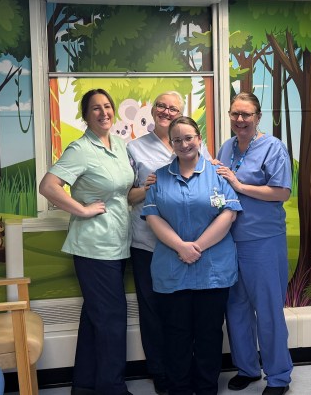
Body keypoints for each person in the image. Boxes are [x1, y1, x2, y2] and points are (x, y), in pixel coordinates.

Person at [38, 88, 135, 395]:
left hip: (117, 243)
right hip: (94, 247)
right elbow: (48, 185)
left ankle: (84, 384)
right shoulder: (80, 149)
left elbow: (121, 192)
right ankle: (112, 387)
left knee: (96, 317)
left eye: (108, 106)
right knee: (112, 320)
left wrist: (149, 186)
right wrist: (81, 209)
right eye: (96, 108)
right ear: (85, 114)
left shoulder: (118, 144)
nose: (104, 112)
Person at [142, 116, 241, 395]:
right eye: (177, 140)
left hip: (213, 269)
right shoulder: (159, 177)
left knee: (209, 334)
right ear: (171, 144)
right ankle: (180, 388)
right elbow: (152, 217)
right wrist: (181, 247)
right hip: (172, 268)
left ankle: (207, 387)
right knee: (176, 334)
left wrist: (196, 246)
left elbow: (228, 214)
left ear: (199, 139)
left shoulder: (218, 174)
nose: (184, 144)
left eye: (189, 138)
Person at [126, 91, 208, 394]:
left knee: (187, 313)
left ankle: (186, 371)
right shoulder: (134, 148)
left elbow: (211, 183)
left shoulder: (199, 145)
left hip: (190, 247)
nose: (166, 111)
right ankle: (160, 372)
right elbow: (127, 196)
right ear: (152, 109)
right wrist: (147, 188)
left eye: (173, 107)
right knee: (153, 311)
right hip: (149, 244)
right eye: (161, 106)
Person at [215, 93, 293, 395]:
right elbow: (219, 186)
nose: (240, 120)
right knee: (236, 308)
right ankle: (247, 368)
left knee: (268, 310)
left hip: (263, 241)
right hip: (228, 241)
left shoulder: (273, 148)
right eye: (235, 114)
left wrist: (238, 185)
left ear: (258, 117)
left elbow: (281, 192)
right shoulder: (227, 146)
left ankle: (278, 376)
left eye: (246, 114)